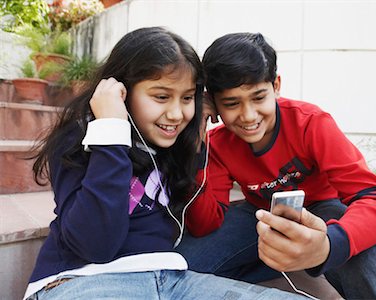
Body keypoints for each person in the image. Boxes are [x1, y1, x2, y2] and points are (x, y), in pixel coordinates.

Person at [23, 27, 308, 300]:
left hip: (172, 280)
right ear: (122, 91)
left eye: (187, 98)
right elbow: (95, 245)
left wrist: (196, 138)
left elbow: (205, 223)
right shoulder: (85, 138)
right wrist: (111, 130)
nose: (175, 114)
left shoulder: (173, 146)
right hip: (83, 280)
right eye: (161, 96)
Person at [177, 32, 376, 299]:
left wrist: (329, 245)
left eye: (259, 98)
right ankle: (285, 259)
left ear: (276, 86)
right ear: (212, 102)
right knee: (179, 264)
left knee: (369, 256)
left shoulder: (311, 123)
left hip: (322, 213)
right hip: (259, 215)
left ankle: (309, 258)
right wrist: (196, 142)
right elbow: (204, 224)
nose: (248, 116)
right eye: (231, 103)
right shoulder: (217, 143)